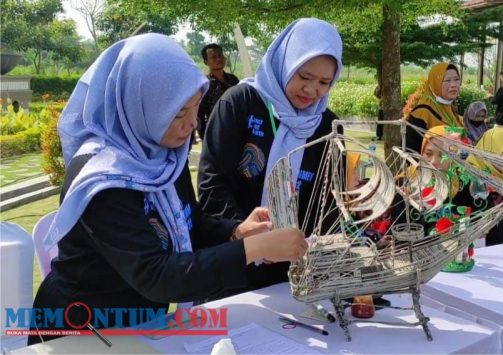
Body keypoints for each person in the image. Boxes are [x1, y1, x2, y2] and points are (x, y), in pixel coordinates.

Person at [29, 34, 307, 345]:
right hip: (81, 329)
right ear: (139, 106)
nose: (192, 125)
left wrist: (237, 232)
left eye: (195, 108)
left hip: (143, 322)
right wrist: (255, 249)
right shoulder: (102, 177)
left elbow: (191, 222)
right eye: (178, 114)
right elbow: (154, 274)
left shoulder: (161, 154)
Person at [197, 18, 343, 293]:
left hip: (298, 270)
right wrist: (247, 234)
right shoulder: (239, 104)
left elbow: (330, 198)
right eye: (304, 77)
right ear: (284, 62)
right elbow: (212, 184)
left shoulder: (327, 126)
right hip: (237, 262)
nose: (312, 91)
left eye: (324, 82)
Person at [404, 62, 463, 152]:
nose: (453, 85)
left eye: (456, 79)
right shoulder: (422, 113)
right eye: (447, 80)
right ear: (435, 82)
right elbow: (411, 152)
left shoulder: (452, 112)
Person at [196, 43, 240, 140]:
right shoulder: (204, 84)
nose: (218, 59)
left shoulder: (233, 79)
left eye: (220, 55)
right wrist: (205, 139)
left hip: (238, 130)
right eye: (213, 57)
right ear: (205, 61)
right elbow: (199, 114)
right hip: (216, 133)